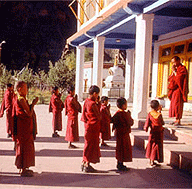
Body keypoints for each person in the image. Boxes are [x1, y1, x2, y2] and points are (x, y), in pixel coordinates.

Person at [12, 81, 38, 177]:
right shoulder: (21, 99)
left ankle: (23, 168)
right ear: (19, 89)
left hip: (23, 128)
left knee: (23, 147)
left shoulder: (18, 98)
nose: (27, 90)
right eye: (25, 88)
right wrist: (34, 104)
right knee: (25, 147)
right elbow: (29, 114)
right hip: (24, 129)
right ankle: (23, 169)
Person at [81, 85, 101, 172]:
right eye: (97, 95)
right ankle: (87, 164)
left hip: (88, 126)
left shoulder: (86, 101)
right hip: (93, 127)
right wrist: (99, 104)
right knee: (91, 146)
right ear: (94, 94)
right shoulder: (92, 104)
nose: (97, 96)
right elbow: (99, 116)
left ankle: (84, 162)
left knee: (87, 145)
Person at [111, 97, 134, 171]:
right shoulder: (125, 114)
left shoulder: (117, 113)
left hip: (119, 133)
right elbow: (131, 122)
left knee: (119, 148)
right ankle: (120, 164)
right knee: (124, 148)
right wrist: (129, 115)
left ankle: (119, 163)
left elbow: (112, 120)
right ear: (123, 105)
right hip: (124, 134)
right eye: (126, 104)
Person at [168, 56, 188, 126]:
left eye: (174, 62)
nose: (173, 64)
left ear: (178, 61)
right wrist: (173, 72)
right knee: (174, 104)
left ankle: (178, 120)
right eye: (172, 62)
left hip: (179, 89)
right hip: (174, 89)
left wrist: (174, 72)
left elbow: (179, 79)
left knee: (178, 105)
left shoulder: (182, 68)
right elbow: (170, 78)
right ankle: (176, 119)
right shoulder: (175, 68)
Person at [144, 100, 164, 166]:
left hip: (152, 132)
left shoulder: (150, 114)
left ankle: (151, 160)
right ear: (158, 107)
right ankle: (152, 160)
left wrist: (146, 128)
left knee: (151, 145)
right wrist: (160, 111)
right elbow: (162, 123)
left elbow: (147, 123)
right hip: (159, 133)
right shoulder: (159, 115)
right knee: (156, 146)